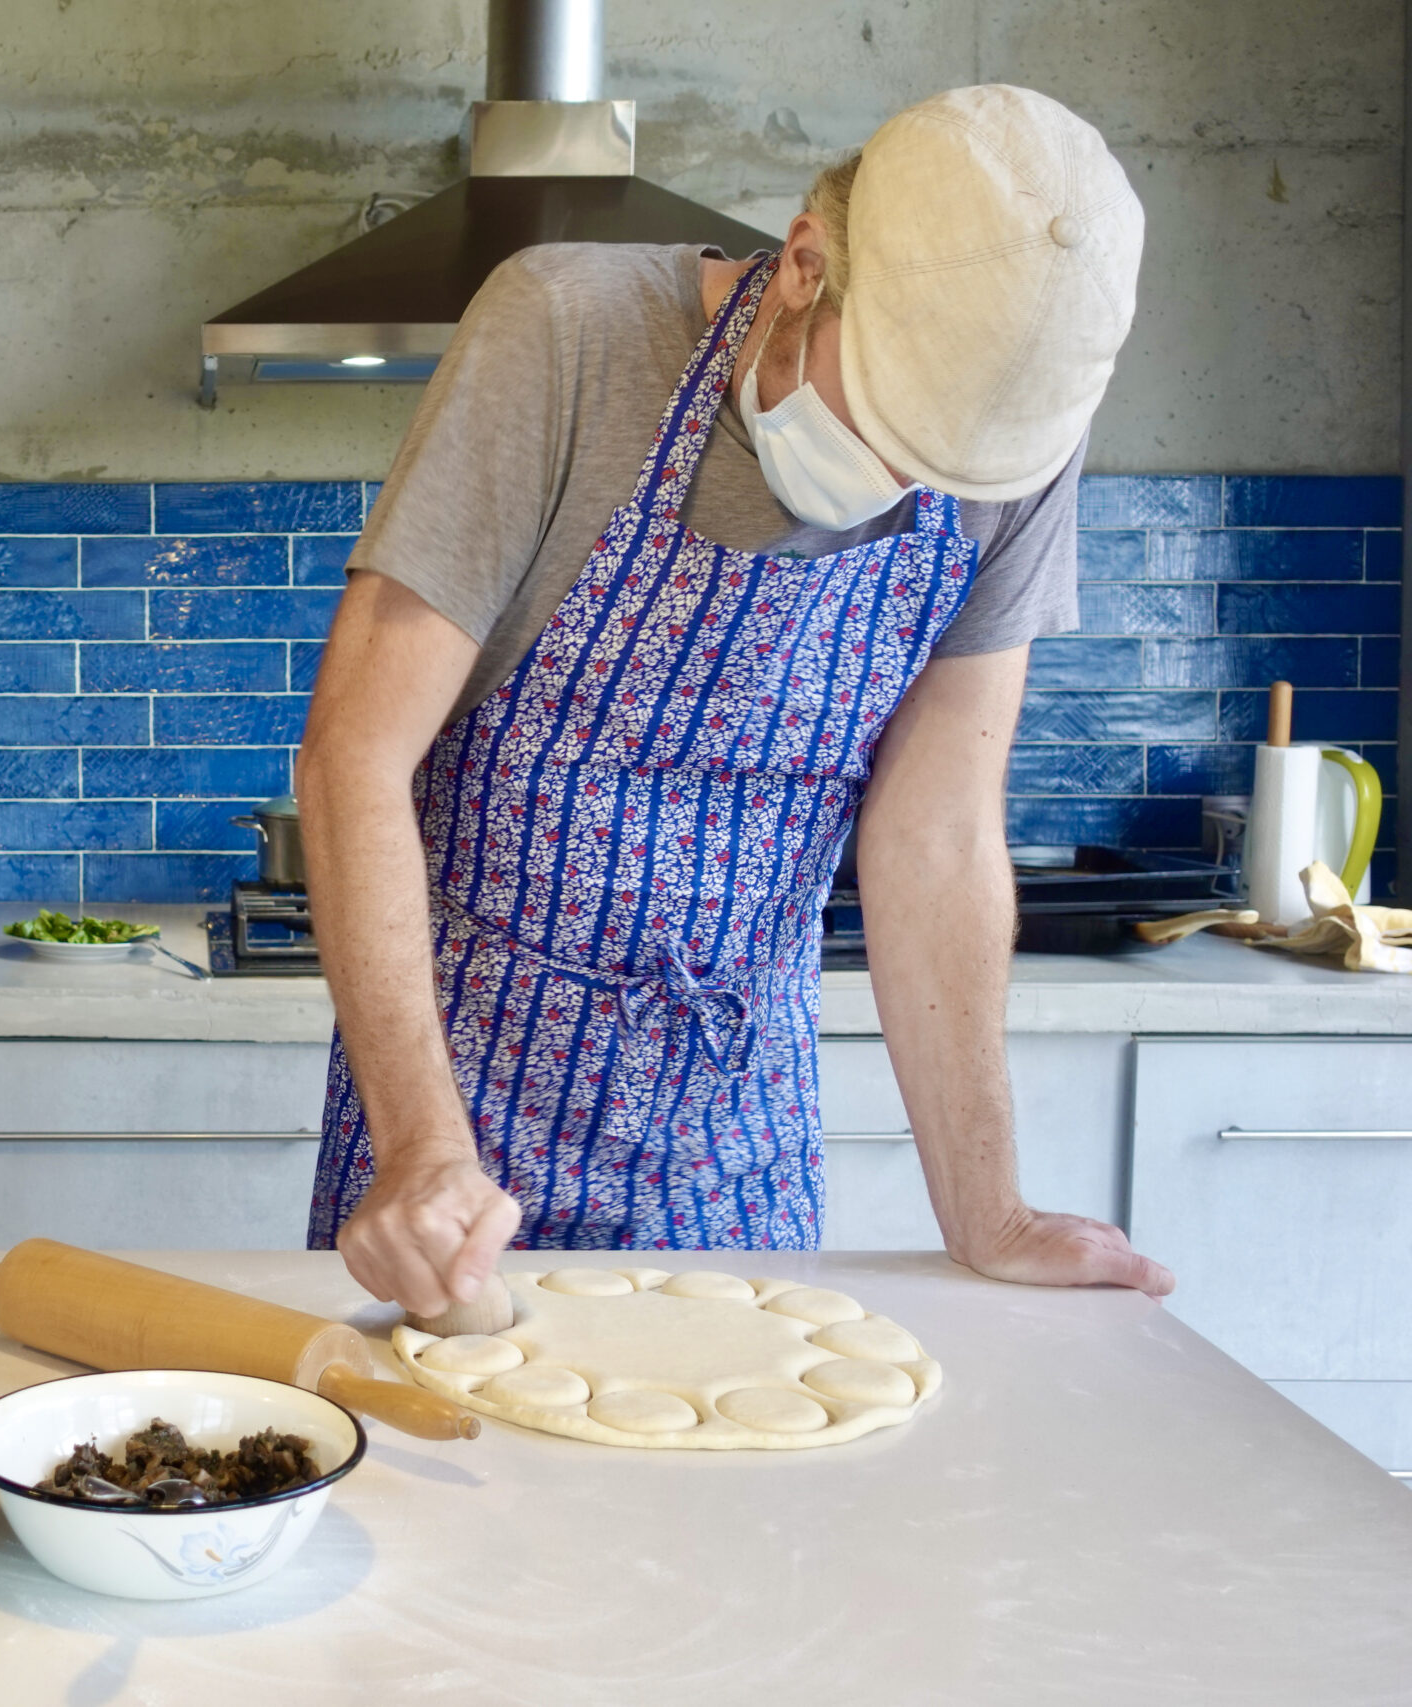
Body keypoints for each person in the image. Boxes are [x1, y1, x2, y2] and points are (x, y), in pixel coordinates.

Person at [297, 84, 1178, 1318]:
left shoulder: (1012, 443)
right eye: (885, 433)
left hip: (737, 1126)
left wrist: (992, 1211)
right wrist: (420, 1147)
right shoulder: (569, 331)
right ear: (806, 264)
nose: (895, 493)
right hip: (460, 1118)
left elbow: (936, 830)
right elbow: (353, 754)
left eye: (936, 471)